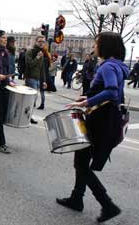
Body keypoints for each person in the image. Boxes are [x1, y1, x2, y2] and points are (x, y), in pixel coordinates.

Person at [58, 31, 127, 223]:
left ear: (104, 46)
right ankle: (76, 198)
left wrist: (85, 103)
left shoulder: (107, 66)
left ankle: (107, 204)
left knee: (80, 163)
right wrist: (88, 97)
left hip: (99, 119)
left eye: (96, 44)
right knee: (82, 158)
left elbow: (112, 91)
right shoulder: (118, 66)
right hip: (107, 118)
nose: (93, 47)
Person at [24, 36, 47, 124]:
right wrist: (37, 57)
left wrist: (44, 80)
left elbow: (42, 68)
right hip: (30, 78)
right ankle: (28, 116)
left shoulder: (41, 53)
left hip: (37, 79)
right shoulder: (30, 52)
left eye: (43, 42)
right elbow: (29, 64)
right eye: (39, 41)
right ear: (36, 42)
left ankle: (29, 116)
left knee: (34, 99)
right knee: (31, 99)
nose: (41, 43)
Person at [37, 45, 51, 110]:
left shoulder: (43, 59)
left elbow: (41, 68)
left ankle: (36, 103)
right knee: (42, 91)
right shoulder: (48, 58)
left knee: (37, 90)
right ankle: (42, 104)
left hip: (41, 75)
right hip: (45, 76)